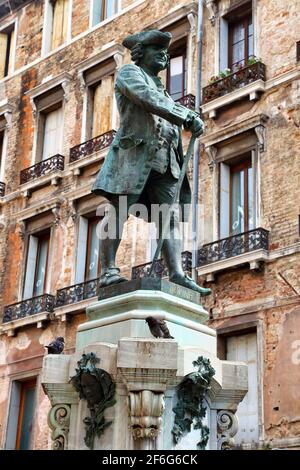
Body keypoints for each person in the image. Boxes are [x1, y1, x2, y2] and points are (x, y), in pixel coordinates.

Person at [92, 30, 211, 296]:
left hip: (167, 162)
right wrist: (184, 114)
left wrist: (189, 121)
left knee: (168, 219)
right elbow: (146, 98)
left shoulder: (165, 91)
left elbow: (163, 107)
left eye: (166, 51)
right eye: (157, 50)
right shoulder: (129, 75)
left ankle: (177, 274)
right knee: (118, 209)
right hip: (133, 157)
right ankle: (109, 271)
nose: (164, 55)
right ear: (141, 53)